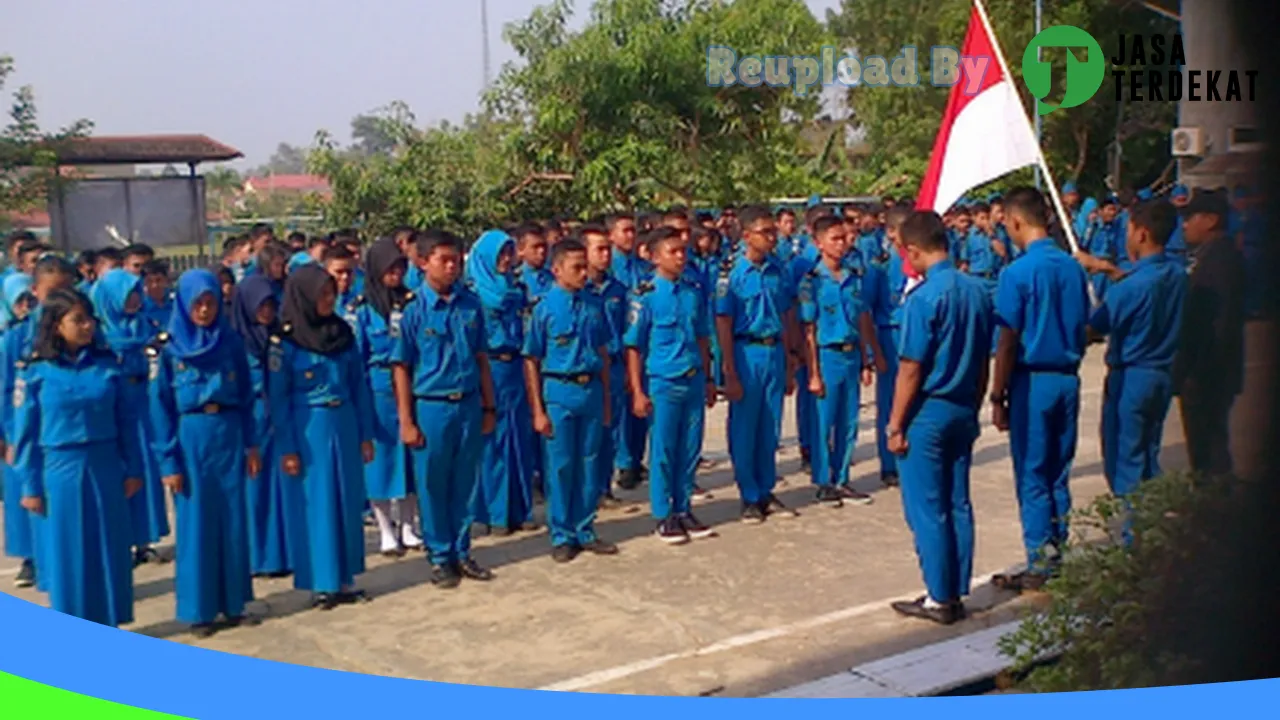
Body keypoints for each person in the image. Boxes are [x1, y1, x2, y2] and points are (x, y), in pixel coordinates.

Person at [886, 210, 992, 625]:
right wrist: (978, 400)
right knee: (957, 501)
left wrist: (895, 424)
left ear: (912, 250)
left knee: (928, 507)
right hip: (964, 405)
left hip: (929, 411)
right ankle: (956, 587)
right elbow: (984, 356)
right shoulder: (978, 290)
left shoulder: (924, 298)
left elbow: (911, 368)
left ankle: (938, 596)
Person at [13, 289, 142, 626]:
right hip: (61, 469)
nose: (87, 327)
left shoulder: (106, 366)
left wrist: (132, 467)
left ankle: (110, 625)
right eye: (78, 320)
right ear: (56, 326)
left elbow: (127, 421)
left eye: (89, 319)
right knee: (69, 554)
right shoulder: (36, 372)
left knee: (109, 550)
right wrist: (29, 485)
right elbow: (24, 433)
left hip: (106, 465)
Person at [148, 269, 260, 637]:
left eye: (211, 302)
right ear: (183, 303)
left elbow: (246, 396)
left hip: (227, 432)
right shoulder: (170, 350)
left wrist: (251, 443)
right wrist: (168, 461)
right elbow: (160, 408)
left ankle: (233, 602)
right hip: (191, 436)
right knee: (196, 524)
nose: (205, 309)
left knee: (231, 520)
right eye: (197, 302)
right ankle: (199, 610)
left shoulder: (230, 344)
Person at [988, 187, 1090, 591]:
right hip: (1068, 377)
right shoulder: (1071, 267)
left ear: (1015, 222)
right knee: (1057, 473)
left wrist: (998, 395)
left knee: (1032, 473)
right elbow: (1084, 325)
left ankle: (1040, 560)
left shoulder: (1017, 273)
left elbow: (1008, 339)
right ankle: (1058, 552)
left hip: (1033, 381)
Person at [392, 230, 498, 588]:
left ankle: (462, 549)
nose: (452, 267)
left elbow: (482, 358)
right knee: (433, 484)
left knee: (466, 482)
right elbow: (401, 368)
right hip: (432, 407)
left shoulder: (471, 305)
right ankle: (440, 556)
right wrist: (406, 420)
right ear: (423, 262)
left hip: (467, 403)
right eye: (444, 260)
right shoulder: (412, 311)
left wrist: (488, 405)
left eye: (456, 260)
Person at [269, 265, 375, 607]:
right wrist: (287, 447)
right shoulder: (285, 341)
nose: (329, 300)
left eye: (332, 293)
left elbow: (359, 386)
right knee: (317, 505)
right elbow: (278, 399)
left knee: (345, 501)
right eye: (322, 294)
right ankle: (322, 583)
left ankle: (345, 579)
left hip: (343, 421)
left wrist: (365, 433)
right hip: (308, 427)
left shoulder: (342, 333)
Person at [1075, 200, 1186, 500]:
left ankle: (1132, 538)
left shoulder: (1129, 289)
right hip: (1162, 375)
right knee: (1149, 456)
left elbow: (1095, 327)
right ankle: (1153, 528)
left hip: (1130, 379)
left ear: (1141, 235)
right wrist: (1108, 269)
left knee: (1125, 464)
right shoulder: (1178, 276)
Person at [523, 238, 617, 562]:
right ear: (557, 269)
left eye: (584, 266)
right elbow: (532, 359)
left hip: (590, 389)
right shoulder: (544, 308)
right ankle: (562, 534)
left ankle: (585, 528)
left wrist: (605, 399)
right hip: (559, 391)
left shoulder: (594, 304)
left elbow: (603, 352)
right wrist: (538, 410)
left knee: (590, 463)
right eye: (576, 268)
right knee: (561, 466)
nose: (583, 273)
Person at [625, 227, 717, 545]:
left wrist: (708, 378)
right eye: (672, 251)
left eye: (683, 250)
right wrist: (637, 391)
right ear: (653, 256)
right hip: (663, 381)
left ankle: (683, 507)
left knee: (690, 448)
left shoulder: (692, 291)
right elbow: (634, 347)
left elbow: (703, 337)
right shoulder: (646, 295)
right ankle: (663, 514)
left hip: (692, 378)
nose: (680, 256)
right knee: (664, 449)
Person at [715, 206, 801, 524]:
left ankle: (766, 489)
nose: (772, 238)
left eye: (773, 232)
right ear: (747, 235)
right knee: (745, 427)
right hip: (745, 351)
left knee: (770, 426)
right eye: (765, 232)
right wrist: (729, 369)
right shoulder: (731, 273)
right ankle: (748, 494)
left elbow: (785, 313)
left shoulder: (777, 270)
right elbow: (723, 322)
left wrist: (792, 359)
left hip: (774, 350)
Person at [2, 256, 75, 590]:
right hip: (27, 436)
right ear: (35, 291)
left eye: (66, 291)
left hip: (66, 437)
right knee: (33, 506)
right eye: (51, 292)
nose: (58, 300)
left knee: (65, 525)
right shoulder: (16, 339)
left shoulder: (79, 333)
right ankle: (36, 567)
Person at [798, 216, 880, 508]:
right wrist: (814, 372)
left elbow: (862, 317)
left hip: (850, 353)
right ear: (819, 243)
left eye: (844, 238)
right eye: (835, 238)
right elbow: (809, 330)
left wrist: (867, 359)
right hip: (827, 354)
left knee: (849, 421)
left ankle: (842, 478)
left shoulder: (853, 276)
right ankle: (823, 481)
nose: (842, 244)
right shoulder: (812, 281)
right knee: (823, 422)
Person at [93, 268, 171, 567]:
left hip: (144, 404)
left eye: (136, 292)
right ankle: (121, 541)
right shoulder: (101, 334)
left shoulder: (144, 325)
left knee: (146, 474)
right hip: (117, 411)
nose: (135, 298)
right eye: (128, 294)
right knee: (121, 475)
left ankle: (145, 538)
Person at [466, 230, 541, 533]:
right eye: (501, 254)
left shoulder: (517, 290)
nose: (507, 260)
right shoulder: (474, 295)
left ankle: (519, 510)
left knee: (519, 443)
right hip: (490, 370)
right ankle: (492, 514)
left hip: (516, 369)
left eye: (510, 253)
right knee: (492, 443)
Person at [353, 239, 424, 553]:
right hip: (378, 388)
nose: (396, 274)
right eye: (389, 268)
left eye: (400, 268)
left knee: (410, 458)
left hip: (411, 384)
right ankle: (385, 530)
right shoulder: (363, 309)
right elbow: (356, 356)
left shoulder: (412, 302)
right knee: (379, 462)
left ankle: (409, 526)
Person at [231, 273, 303, 579]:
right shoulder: (235, 343)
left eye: (270, 304)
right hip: (251, 421)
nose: (266, 311)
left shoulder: (280, 339)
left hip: (279, 419)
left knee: (282, 488)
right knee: (254, 489)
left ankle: (284, 553)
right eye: (260, 305)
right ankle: (256, 556)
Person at [1173, 190, 1246, 477]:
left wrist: (1198, 372)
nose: (1185, 225)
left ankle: (1214, 505)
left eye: (1191, 217)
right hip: (1206, 372)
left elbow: (1218, 324)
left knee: (1210, 449)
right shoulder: (1209, 257)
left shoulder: (1220, 262)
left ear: (1212, 220)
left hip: (1209, 374)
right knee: (1203, 447)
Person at [866, 206, 912, 488]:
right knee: (889, 402)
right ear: (891, 232)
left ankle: (909, 456)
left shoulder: (918, 262)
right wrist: (874, 352)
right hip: (889, 334)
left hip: (914, 335)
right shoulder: (879, 267)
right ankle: (888, 464)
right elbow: (867, 312)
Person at [605, 213, 649, 490]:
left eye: (633, 230)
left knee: (640, 409)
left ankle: (634, 460)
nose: (630, 236)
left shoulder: (641, 268)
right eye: (625, 231)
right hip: (616, 350)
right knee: (618, 412)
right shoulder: (609, 270)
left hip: (641, 347)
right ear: (611, 235)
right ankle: (622, 463)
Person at [139, 259, 173, 333]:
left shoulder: (176, 304)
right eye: (149, 281)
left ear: (166, 281)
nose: (154, 285)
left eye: (158, 280)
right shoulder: (139, 309)